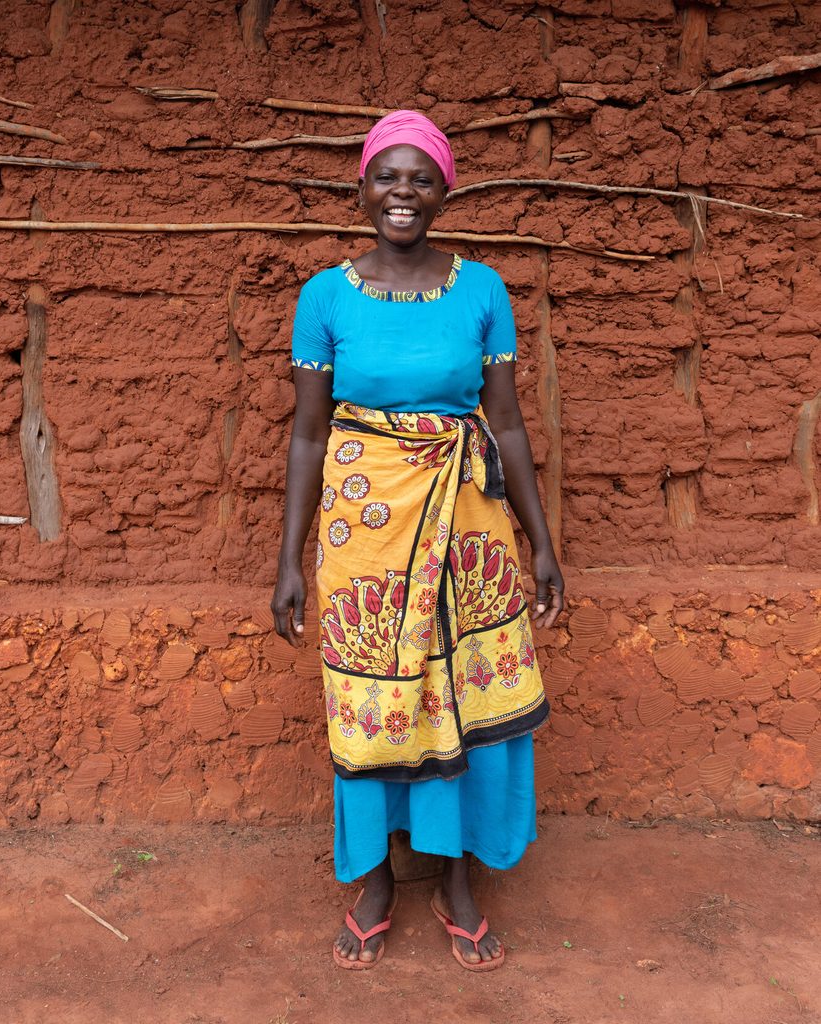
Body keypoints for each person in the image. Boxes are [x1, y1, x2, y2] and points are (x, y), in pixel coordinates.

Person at [272, 109, 564, 972]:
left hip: (467, 523)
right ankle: (373, 877)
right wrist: (288, 560)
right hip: (364, 531)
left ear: (444, 191)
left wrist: (538, 541)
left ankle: (453, 874)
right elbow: (306, 435)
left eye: (420, 179)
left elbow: (506, 425)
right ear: (361, 187)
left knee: (465, 694)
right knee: (372, 694)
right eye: (386, 178)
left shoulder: (481, 290)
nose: (403, 193)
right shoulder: (323, 296)